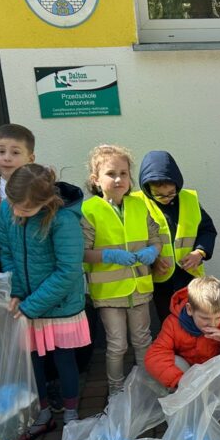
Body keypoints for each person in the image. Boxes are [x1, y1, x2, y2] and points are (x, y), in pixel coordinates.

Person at [0, 163, 89, 437]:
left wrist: (30, 306)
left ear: (45, 201)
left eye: (25, 210)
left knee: (64, 359)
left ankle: (71, 414)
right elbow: (6, 251)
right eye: (13, 205)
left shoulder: (64, 219)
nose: (16, 213)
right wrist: (16, 292)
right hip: (26, 302)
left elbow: (68, 271)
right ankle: (44, 412)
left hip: (60, 305)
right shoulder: (8, 208)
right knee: (32, 360)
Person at [81, 144, 164, 395]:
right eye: (111, 174)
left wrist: (153, 251)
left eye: (123, 173)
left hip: (139, 288)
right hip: (109, 293)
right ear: (96, 179)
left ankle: (147, 387)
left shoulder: (139, 205)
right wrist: (108, 255)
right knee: (117, 345)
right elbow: (81, 252)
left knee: (143, 340)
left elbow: (155, 237)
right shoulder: (89, 210)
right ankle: (116, 392)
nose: (118, 179)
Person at [134, 151, 217, 325]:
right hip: (158, 278)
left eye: (171, 193)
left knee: (193, 319)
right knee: (168, 321)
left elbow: (207, 230)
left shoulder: (189, 200)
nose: (166, 198)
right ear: (147, 189)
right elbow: (134, 239)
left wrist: (199, 253)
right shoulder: (137, 203)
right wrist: (153, 261)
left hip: (188, 275)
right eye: (159, 194)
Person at [144, 275, 220, 391]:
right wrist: (179, 381)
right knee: (176, 361)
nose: (213, 324)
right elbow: (155, 355)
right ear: (189, 309)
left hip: (214, 373)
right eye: (205, 318)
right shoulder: (173, 323)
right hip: (187, 375)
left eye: (218, 318)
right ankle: (181, 395)